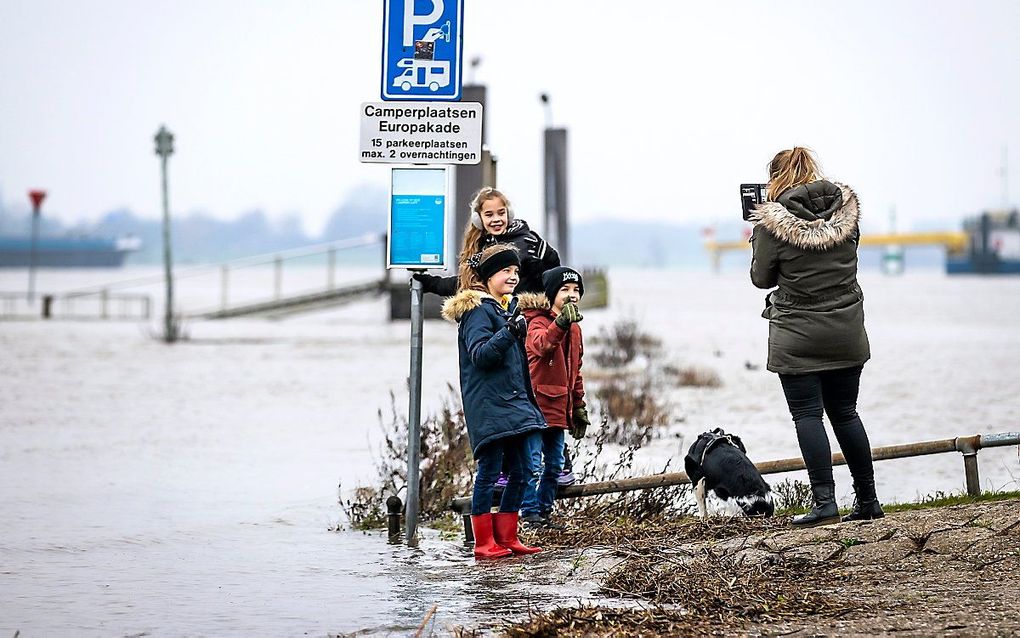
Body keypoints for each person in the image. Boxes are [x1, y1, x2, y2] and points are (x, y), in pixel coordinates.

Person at [749, 146, 884, 528]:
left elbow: (762, 278)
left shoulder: (771, 225)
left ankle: (825, 502)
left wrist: (757, 237)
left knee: (807, 415)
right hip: (846, 330)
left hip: (798, 334)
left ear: (775, 179)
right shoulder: (848, 216)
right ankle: (868, 499)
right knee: (845, 413)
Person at [416, 187, 577, 486]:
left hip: (527, 317)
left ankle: (558, 460)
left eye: (500, 213)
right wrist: (430, 284)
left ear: (509, 213)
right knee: (508, 392)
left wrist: (550, 302)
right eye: (489, 214)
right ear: (478, 218)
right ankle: (509, 466)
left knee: (534, 391)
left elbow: (554, 267)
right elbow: (465, 284)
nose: (496, 219)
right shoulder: (479, 246)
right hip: (499, 318)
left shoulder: (528, 241)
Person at [440, 243, 546, 558]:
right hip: (488, 406)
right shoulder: (477, 311)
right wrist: (509, 334)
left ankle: (508, 536)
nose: (512, 276)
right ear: (488, 277)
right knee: (489, 470)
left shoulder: (505, 308)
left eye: (515, 271)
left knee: (524, 469)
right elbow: (481, 355)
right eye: (505, 271)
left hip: (513, 403)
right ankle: (484, 543)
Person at [517, 266, 590, 529]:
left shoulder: (576, 328)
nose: (571, 295)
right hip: (536, 406)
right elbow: (542, 345)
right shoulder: (536, 320)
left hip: (561, 406)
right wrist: (560, 324)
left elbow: (575, 369)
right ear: (551, 294)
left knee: (556, 464)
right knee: (532, 463)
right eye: (565, 290)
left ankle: (544, 512)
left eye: (576, 290)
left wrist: (578, 404)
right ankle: (529, 514)